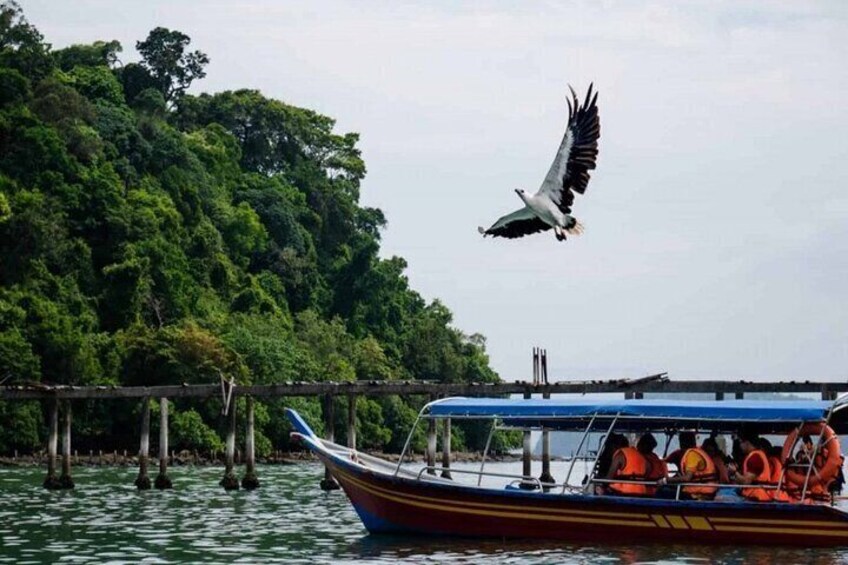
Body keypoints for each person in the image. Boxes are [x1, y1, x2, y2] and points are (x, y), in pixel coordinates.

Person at [662, 435, 719, 500]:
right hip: (709, 490)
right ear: (694, 441)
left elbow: (687, 478)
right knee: (671, 489)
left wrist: (665, 480)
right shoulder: (699, 451)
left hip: (698, 493)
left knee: (662, 491)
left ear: (681, 443)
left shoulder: (692, 455)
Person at [730, 432, 772, 502]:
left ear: (747, 442)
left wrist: (735, 472)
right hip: (752, 496)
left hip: (756, 498)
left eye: (741, 442)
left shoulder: (755, 458)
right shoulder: (754, 455)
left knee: (720, 498)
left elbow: (746, 482)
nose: (740, 446)